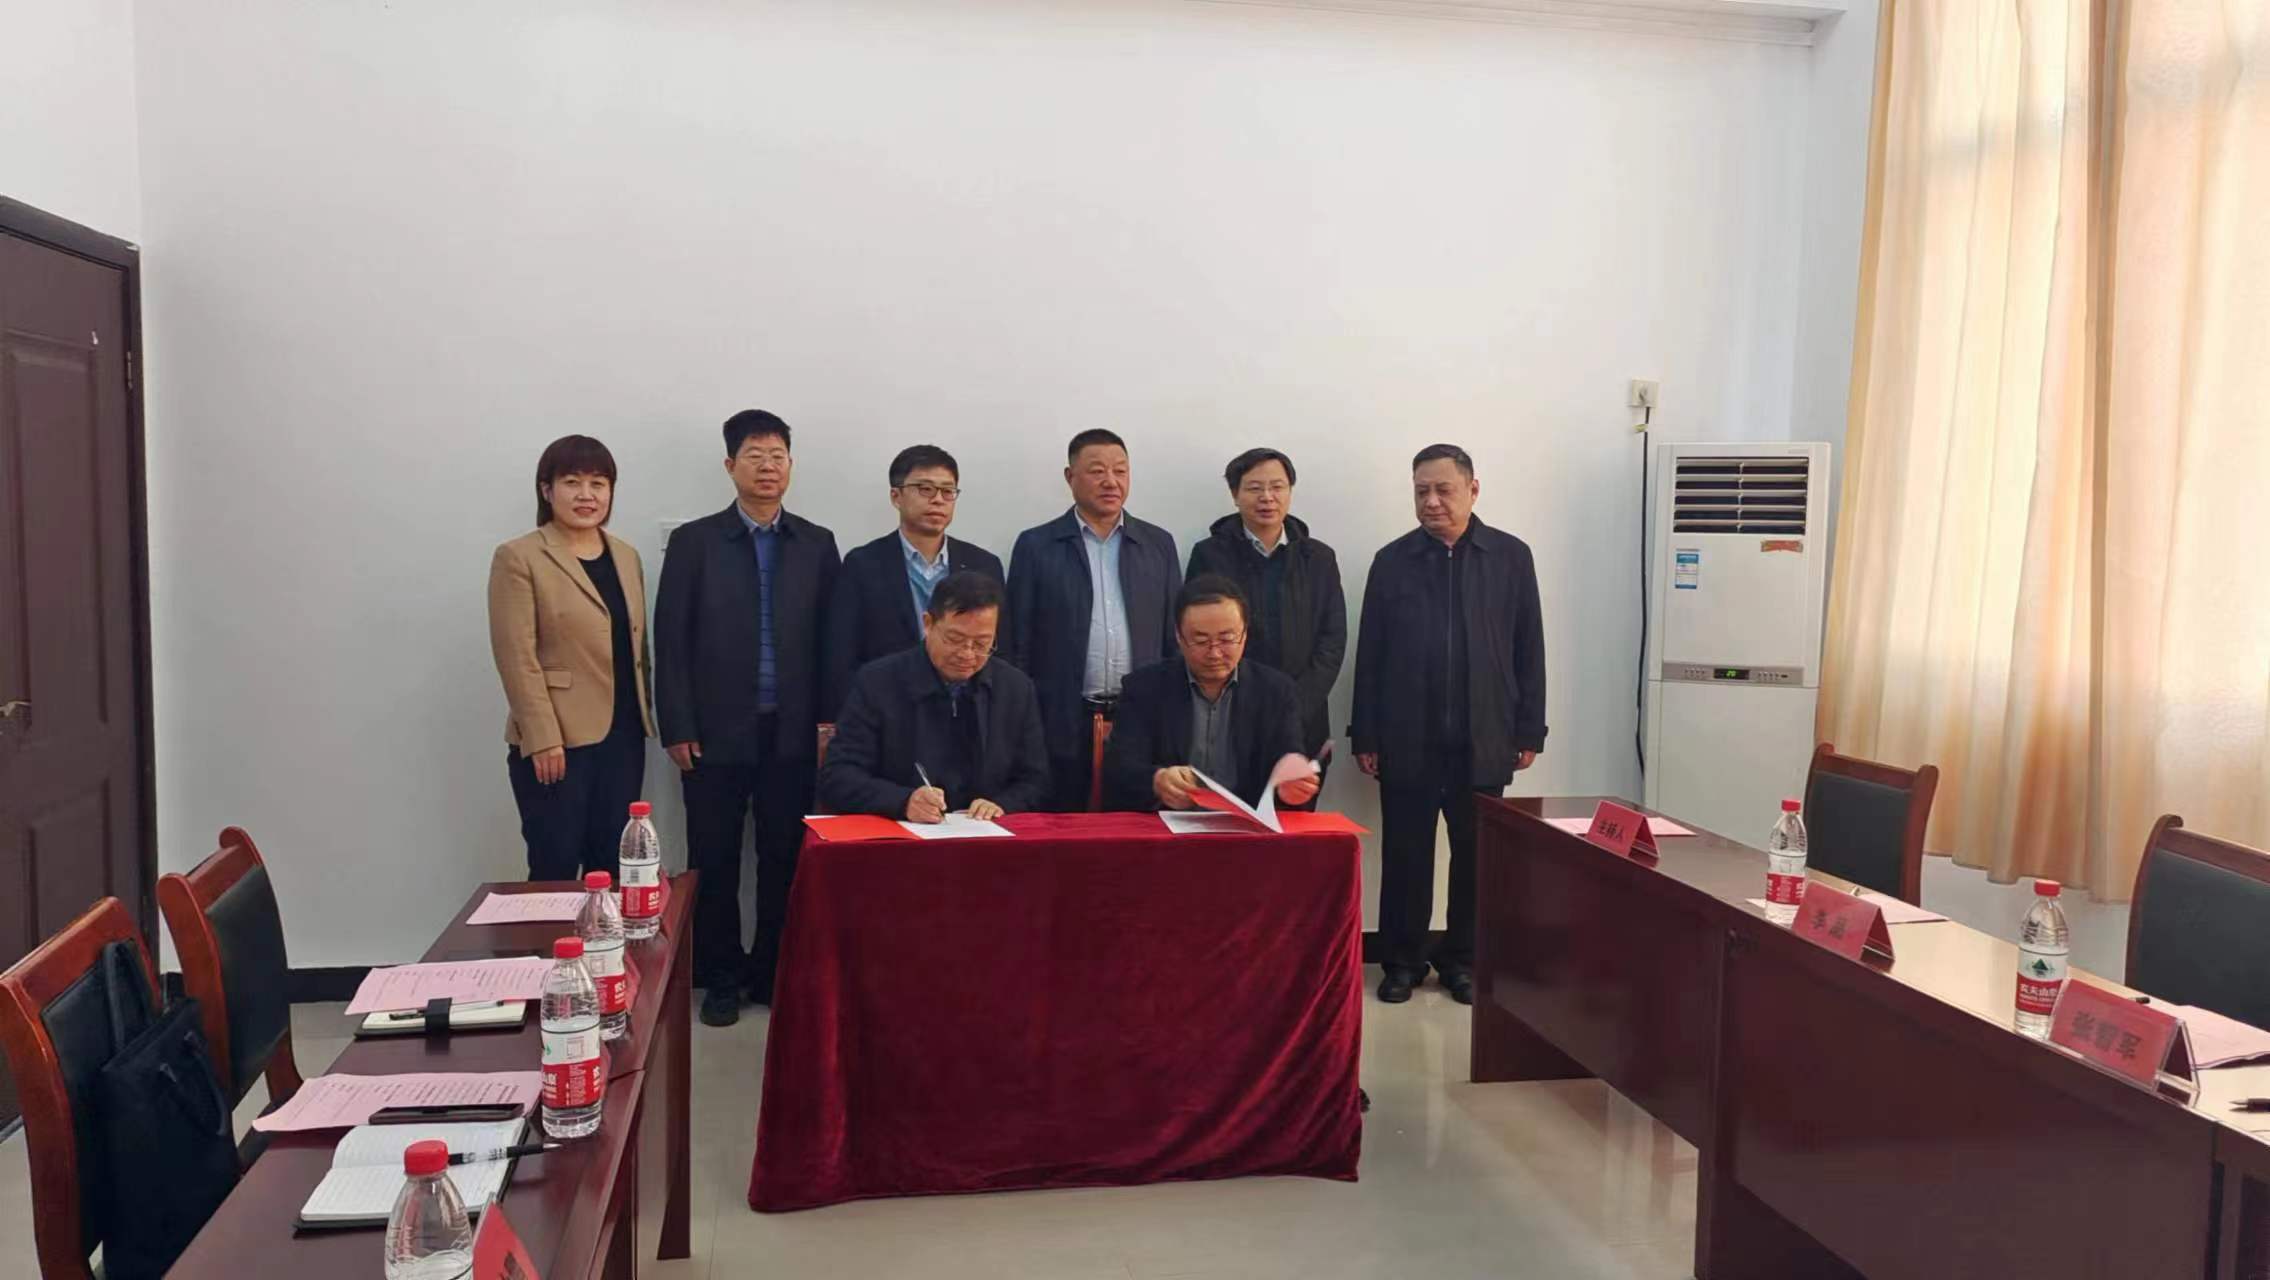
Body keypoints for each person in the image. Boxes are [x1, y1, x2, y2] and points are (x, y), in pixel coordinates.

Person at [653, 409, 841, 1027]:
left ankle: (772, 972)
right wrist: (677, 725)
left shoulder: (816, 543)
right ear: (730, 465)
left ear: (791, 465)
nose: (768, 466)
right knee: (715, 858)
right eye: (755, 455)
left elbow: (832, 640)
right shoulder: (695, 542)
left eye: (777, 455)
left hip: (793, 730)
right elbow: (670, 640)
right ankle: (721, 977)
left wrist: (830, 722)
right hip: (713, 732)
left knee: (785, 857)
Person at [1351, 444, 1546, 1007]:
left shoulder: (1510, 557)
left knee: (1476, 860)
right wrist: (1367, 734)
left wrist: (1528, 729)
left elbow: (1528, 647)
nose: (1432, 501)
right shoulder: (1392, 560)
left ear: (1473, 489)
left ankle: (1463, 960)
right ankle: (1402, 961)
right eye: (1421, 491)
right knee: (1406, 855)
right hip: (1407, 737)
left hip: (1484, 737)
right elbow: (1370, 654)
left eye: (1444, 490)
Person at [487, 435, 653, 882]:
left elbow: (636, 648)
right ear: (547, 490)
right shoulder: (520, 557)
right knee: (555, 866)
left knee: (614, 867)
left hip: (623, 737)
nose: (586, 495)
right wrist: (542, 736)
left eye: (598, 483)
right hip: (557, 741)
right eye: (572, 482)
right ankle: (547, 935)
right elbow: (516, 655)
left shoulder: (626, 556)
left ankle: (606, 935)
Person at [1005, 429, 1182, 811]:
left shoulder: (1158, 544)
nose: (1111, 481)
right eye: (1097, 471)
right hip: (1060, 719)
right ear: (1070, 477)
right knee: (1061, 826)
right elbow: (1018, 640)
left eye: (1120, 470)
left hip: (1140, 720)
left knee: (1135, 829)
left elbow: (1173, 638)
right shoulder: (1036, 546)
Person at [819, 571, 1049, 821]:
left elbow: (1035, 781)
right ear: (928, 624)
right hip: (901, 834)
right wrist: (903, 801)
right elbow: (838, 776)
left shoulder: (1016, 689)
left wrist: (1001, 805)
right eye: (955, 639)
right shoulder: (877, 683)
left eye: (982, 644)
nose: (967, 654)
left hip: (984, 835)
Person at [1184, 448, 1346, 788]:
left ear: (1290, 491)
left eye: (1277, 487)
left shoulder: (1318, 558)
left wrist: (1294, 706)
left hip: (1303, 720)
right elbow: (1196, 633)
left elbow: (1332, 640)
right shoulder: (1210, 554)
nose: (1267, 497)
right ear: (1235, 494)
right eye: (1255, 488)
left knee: (1295, 814)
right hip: (1229, 714)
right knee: (1229, 814)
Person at [1102, 576, 1320, 814]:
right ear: (1179, 637)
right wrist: (1157, 780)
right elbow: (1119, 771)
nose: (1214, 653)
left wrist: (1290, 786)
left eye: (1226, 639)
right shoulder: (1144, 689)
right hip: (1165, 826)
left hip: (1246, 827)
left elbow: (1288, 760)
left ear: (1245, 634)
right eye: (1200, 640)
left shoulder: (1276, 692)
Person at [825, 445, 1004, 711]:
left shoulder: (984, 565)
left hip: (966, 709)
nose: (938, 500)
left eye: (947, 491)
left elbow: (999, 652)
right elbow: (842, 654)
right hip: (889, 709)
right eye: (925, 489)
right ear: (896, 496)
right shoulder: (863, 564)